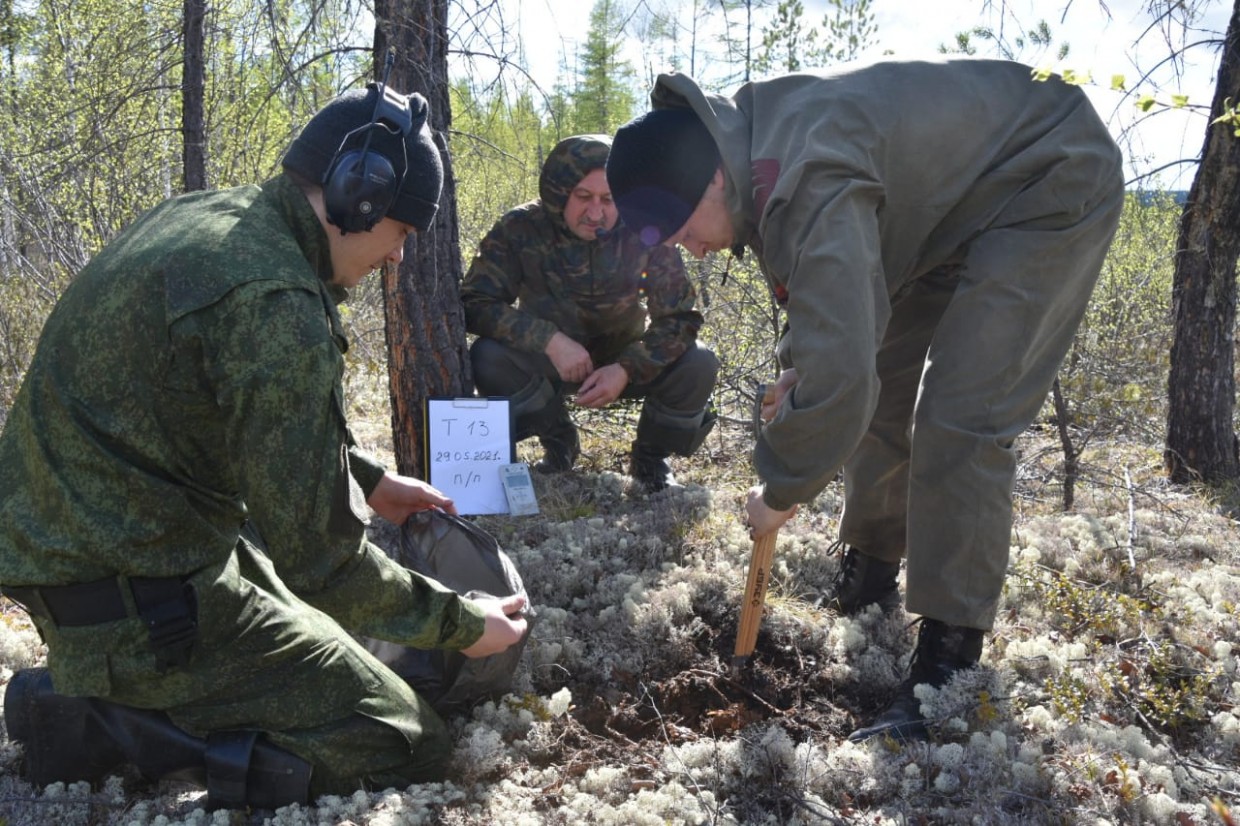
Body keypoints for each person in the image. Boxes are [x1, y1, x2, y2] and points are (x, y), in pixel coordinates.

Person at [0, 81, 527, 810]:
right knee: (402, 738)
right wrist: (463, 626)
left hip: (94, 546)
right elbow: (322, 562)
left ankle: (115, 685)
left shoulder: (207, 216)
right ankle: (103, 718)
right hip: (140, 596)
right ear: (358, 199)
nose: (399, 260)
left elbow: (223, 415)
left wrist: (369, 481)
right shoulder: (275, 306)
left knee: (318, 627)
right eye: (402, 234)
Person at [605, 58, 1124, 741]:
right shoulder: (747, 153)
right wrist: (802, 372)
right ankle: (872, 567)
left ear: (713, 179)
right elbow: (827, 306)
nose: (688, 250)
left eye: (679, 227)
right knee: (880, 375)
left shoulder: (802, 176)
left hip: (1047, 174)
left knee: (962, 416)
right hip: (949, 212)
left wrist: (782, 489)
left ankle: (950, 660)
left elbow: (841, 373)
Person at [461, 134, 718, 492]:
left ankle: (651, 460)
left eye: (608, 199)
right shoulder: (520, 228)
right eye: (583, 197)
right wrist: (548, 339)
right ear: (558, 192)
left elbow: (679, 319)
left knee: (700, 361)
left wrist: (627, 368)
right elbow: (475, 302)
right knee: (487, 356)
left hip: (623, 361)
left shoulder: (644, 227)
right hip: (547, 363)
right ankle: (558, 440)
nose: (596, 213)